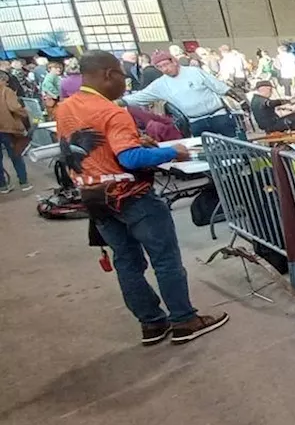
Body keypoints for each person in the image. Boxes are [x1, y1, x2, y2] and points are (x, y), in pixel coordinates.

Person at [56, 52, 229, 344]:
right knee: (165, 260)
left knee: (126, 261)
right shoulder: (111, 111)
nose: (126, 83)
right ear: (109, 74)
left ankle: (151, 324)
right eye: (124, 77)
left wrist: (137, 141)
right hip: (131, 197)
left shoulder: (65, 108)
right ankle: (184, 319)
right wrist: (173, 151)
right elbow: (131, 158)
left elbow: (90, 149)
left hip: (95, 198)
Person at [123, 50, 239, 138]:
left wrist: (242, 102)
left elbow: (222, 88)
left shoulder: (195, 72)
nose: (165, 69)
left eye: (166, 64)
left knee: (236, 147)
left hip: (219, 116)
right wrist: (117, 102)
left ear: (174, 61)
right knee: (211, 154)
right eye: (160, 67)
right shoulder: (160, 85)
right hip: (196, 122)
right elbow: (139, 97)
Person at [0, 76, 32, 194]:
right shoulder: (6, 91)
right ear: (2, 80)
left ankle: (2, 186)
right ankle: (24, 183)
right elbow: (14, 107)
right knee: (16, 155)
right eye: (6, 80)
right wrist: (25, 112)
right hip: (9, 128)